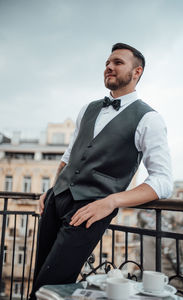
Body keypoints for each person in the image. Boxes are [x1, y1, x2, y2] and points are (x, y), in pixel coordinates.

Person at [29, 43, 172, 299]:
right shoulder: (88, 108)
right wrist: (52, 188)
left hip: (89, 211)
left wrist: (112, 202)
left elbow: (163, 181)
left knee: (51, 284)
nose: (109, 67)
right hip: (55, 201)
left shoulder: (149, 119)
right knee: (40, 281)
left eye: (118, 62)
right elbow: (69, 156)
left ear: (137, 72)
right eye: (107, 62)